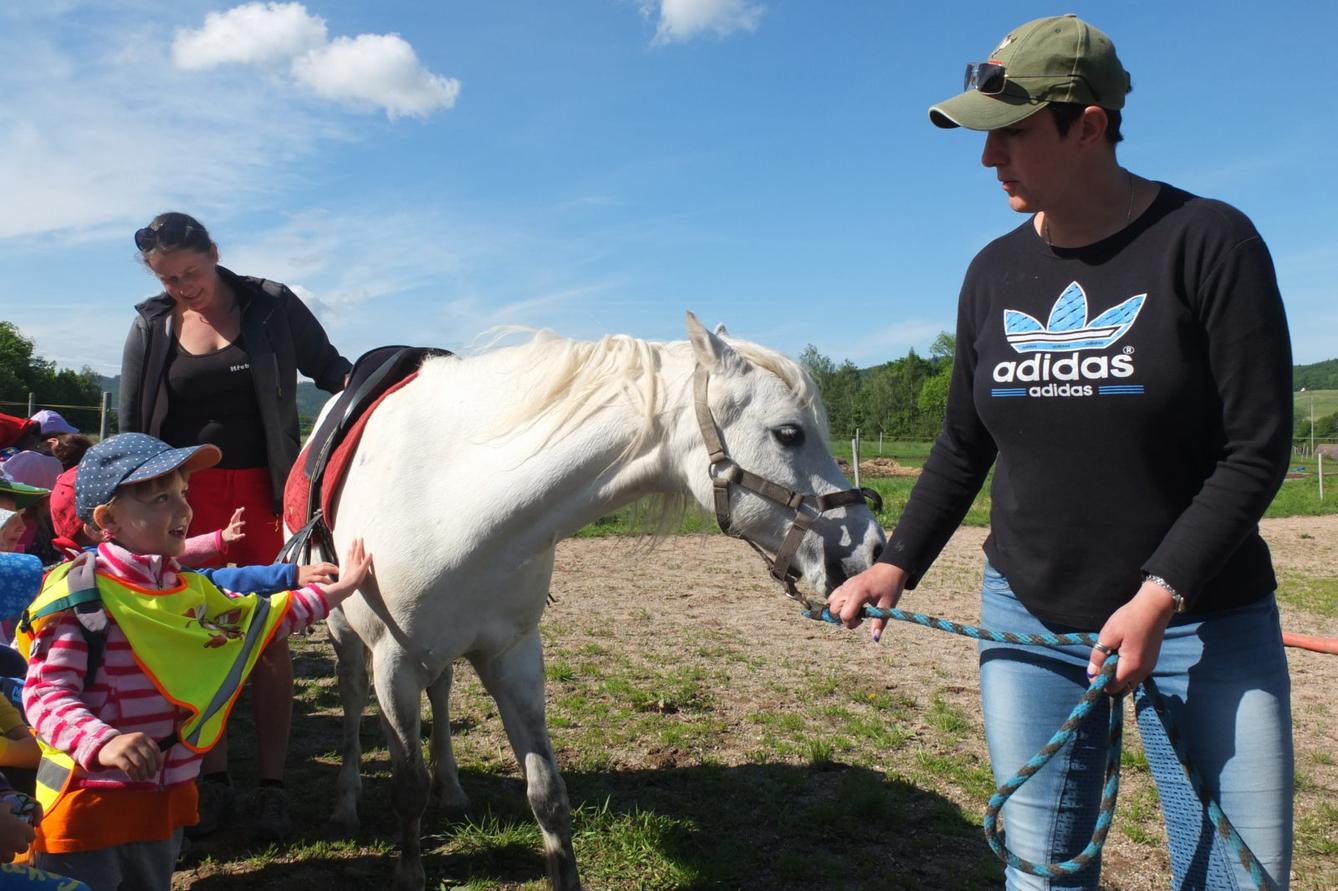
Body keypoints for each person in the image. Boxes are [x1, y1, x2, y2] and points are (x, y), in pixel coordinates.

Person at [828, 15, 1293, 890]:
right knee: (1041, 873)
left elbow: (1255, 448)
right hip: (1030, 615)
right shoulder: (992, 273)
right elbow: (964, 443)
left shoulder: (1211, 243)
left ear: (1089, 125)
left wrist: (1160, 594)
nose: (987, 158)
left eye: (1010, 133)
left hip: (1205, 621)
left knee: (1244, 875)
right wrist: (897, 564)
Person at [18, 433, 371, 890]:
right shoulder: (81, 599)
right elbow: (44, 696)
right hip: (87, 810)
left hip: (164, 805)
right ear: (108, 519)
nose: (183, 509)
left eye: (183, 493)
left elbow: (256, 620)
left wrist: (333, 593)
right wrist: (101, 742)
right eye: (161, 498)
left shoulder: (183, 588)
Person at [118, 212, 352, 837]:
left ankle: (272, 786)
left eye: (191, 272)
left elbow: (334, 372)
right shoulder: (151, 325)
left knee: (269, 637)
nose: (183, 288)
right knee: (199, 634)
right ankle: (212, 778)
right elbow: (134, 431)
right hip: (179, 508)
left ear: (215, 255)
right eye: (169, 279)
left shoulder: (271, 306)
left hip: (263, 496)